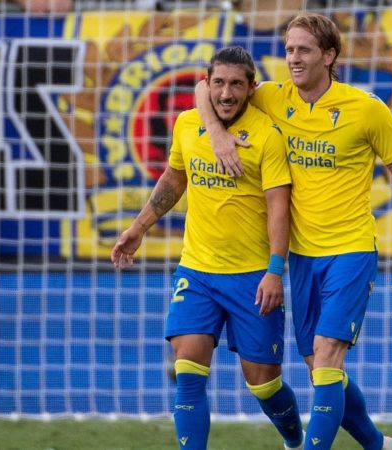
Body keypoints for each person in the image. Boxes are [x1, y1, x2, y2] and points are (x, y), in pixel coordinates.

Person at [195, 12, 392, 450]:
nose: (293, 59)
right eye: (288, 50)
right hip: (301, 257)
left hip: (351, 250)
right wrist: (215, 133)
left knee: (327, 355)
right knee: (320, 365)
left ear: (329, 54)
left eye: (303, 50)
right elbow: (205, 87)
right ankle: (379, 445)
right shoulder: (273, 98)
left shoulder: (366, 109)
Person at [112, 46, 304, 450]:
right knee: (188, 373)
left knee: (264, 385)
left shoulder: (268, 136)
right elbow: (173, 179)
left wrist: (274, 269)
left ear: (252, 87)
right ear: (208, 84)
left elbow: (278, 208)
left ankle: (295, 440)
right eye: (218, 82)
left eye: (236, 83)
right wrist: (139, 227)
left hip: (252, 277)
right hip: (197, 271)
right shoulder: (187, 125)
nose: (226, 93)